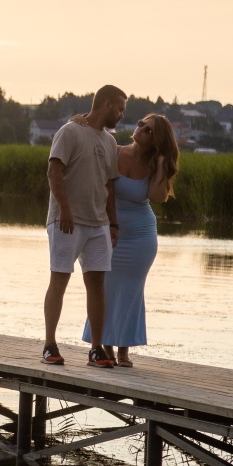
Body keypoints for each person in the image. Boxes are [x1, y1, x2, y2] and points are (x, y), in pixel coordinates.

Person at [79, 114, 179, 366]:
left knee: (131, 291)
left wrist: (161, 163)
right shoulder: (114, 149)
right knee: (105, 287)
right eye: (140, 124)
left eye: (148, 130)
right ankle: (105, 346)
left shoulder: (155, 164)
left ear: (156, 139)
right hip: (108, 230)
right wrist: (79, 120)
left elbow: (157, 198)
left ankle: (123, 350)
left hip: (140, 236)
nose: (140, 129)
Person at [42, 84, 127, 369]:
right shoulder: (70, 132)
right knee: (60, 279)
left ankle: (96, 349)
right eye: (119, 109)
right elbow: (54, 171)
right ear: (105, 104)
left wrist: (113, 223)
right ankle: (49, 344)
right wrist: (65, 210)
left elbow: (109, 186)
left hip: (98, 224)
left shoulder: (109, 142)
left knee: (97, 285)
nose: (121, 115)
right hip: (67, 221)